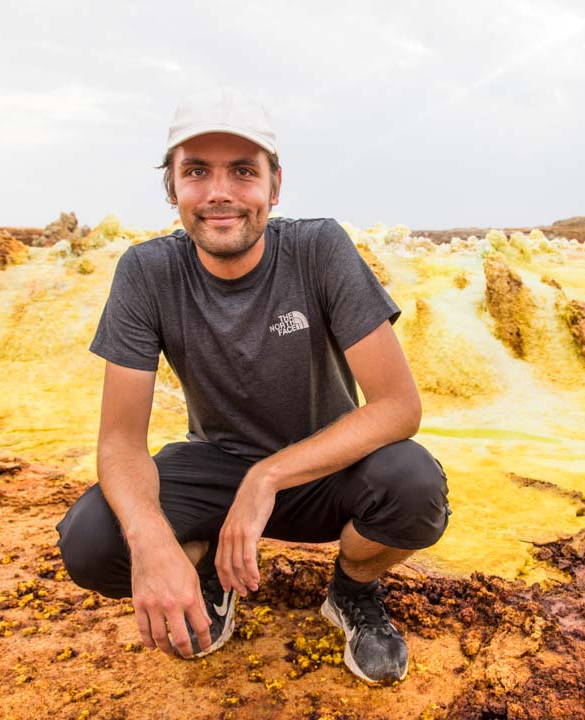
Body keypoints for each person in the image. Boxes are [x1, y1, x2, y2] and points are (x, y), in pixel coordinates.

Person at [55, 90, 450, 685]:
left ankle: (352, 591)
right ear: (172, 188)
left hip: (327, 470)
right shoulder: (147, 272)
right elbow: (119, 442)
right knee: (93, 542)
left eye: (243, 171)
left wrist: (266, 477)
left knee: (414, 487)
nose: (220, 192)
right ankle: (207, 573)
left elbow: (399, 407)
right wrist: (153, 542)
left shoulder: (319, 249)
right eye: (196, 172)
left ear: (275, 185)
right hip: (215, 468)